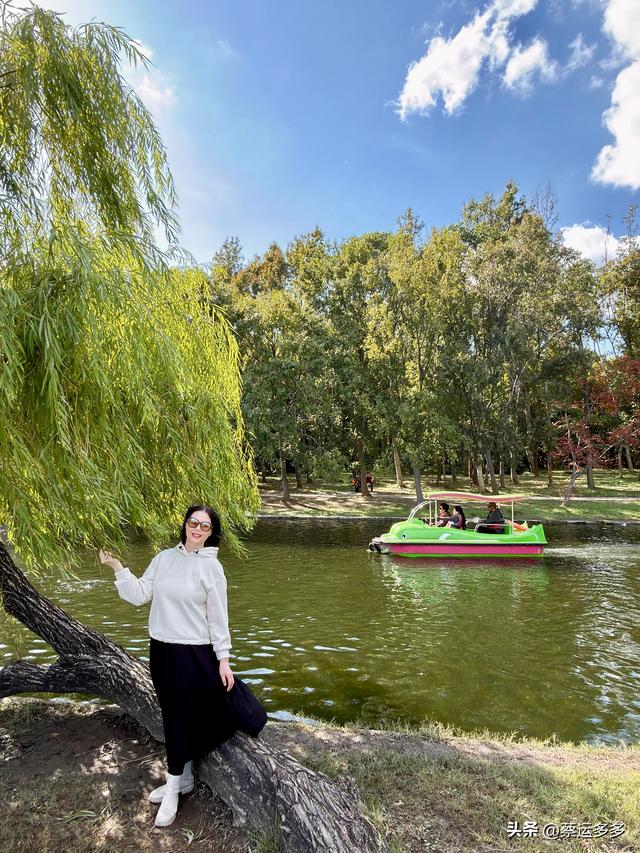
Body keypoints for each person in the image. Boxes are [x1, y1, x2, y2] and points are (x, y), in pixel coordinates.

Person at [99, 505, 265, 828]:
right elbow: (139, 595)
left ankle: (174, 786)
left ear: (211, 533)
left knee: (184, 717)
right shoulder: (164, 558)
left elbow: (219, 619)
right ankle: (184, 775)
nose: (198, 529)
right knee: (172, 714)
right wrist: (117, 566)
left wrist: (224, 660)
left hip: (195, 654)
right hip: (162, 652)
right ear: (185, 525)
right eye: (194, 522)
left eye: (205, 526)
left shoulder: (212, 569)